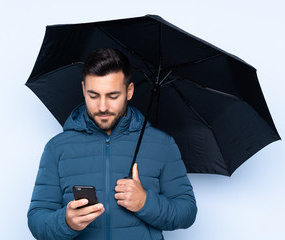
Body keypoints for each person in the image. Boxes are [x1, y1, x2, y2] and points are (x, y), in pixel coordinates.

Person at [27, 48, 197, 240]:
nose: (102, 107)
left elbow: (187, 211)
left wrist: (145, 203)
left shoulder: (162, 144)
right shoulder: (57, 148)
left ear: (129, 91)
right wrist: (66, 221)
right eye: (93, 95)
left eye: (113, 96)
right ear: (83, 90)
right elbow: (36, 219)